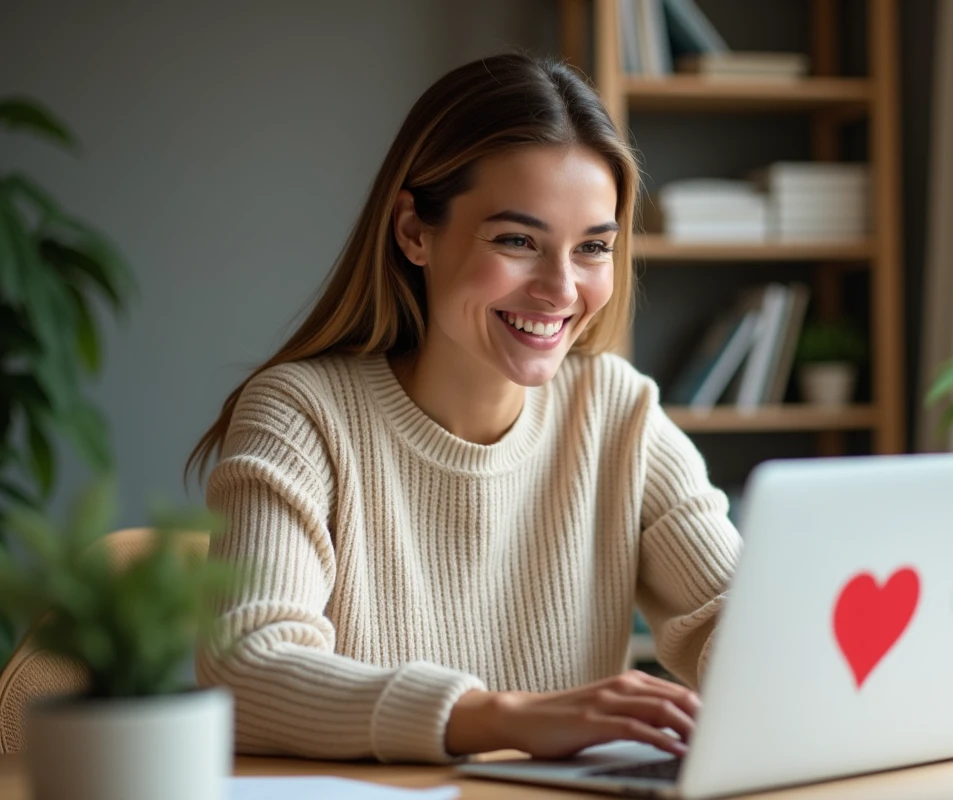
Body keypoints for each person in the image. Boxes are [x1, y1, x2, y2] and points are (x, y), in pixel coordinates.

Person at [187, 52, 741, 765]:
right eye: (517, 241)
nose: (561, 289)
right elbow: (245, 668)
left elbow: (734, 619)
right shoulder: (301, 415)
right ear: (415, 231)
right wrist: (499, 718)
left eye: (593, 248)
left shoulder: (617, 411)